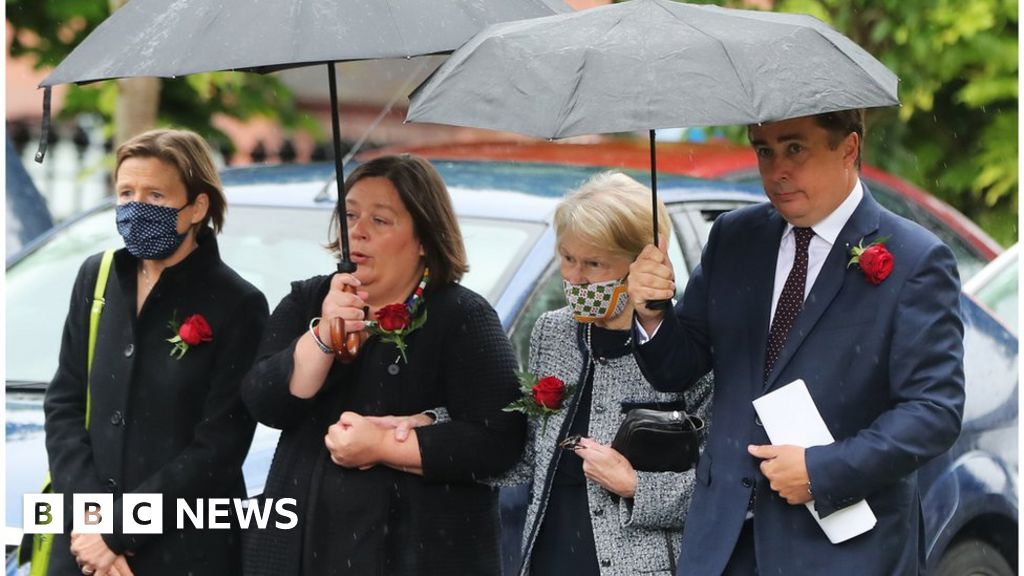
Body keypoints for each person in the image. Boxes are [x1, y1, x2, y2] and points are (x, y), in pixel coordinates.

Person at [628, 110, 965, 575]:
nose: (776, 170)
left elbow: (933, 412)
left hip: (842, 550)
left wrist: (822, 470)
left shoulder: (914, 259)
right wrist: (651, 313)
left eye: (794, 149)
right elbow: (678, 368)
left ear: (848, 148)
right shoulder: (735, 237)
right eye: (764, 151)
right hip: (721, 542)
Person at [240, 154, 526, 576]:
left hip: (419, 551)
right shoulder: (308, 300)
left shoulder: (462, 315)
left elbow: (499, 440)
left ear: (425, 237)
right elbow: (266, 403)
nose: (357, 231)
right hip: (303, 546)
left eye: (380, 220)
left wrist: (383, 446)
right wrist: (322, 336)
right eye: (351, 215)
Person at [44, 128, 269, 576]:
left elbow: (219, 447)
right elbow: (64, 404)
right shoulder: (97, 277)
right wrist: (94, 518)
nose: (136, 207)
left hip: (183, 549)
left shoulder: (238, 304)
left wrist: (121, 531)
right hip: (84, 548)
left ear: (197, 207)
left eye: (155, 194)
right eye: (126, 193)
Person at [500, 172, 712, 576]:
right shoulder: (552, 330)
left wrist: (637, 486)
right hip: (549, 559)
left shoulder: (688, 349)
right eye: (567, 258)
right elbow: (528, 452)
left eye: (593, 264)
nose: (574, 278)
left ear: (641, 264)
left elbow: (726, 487)